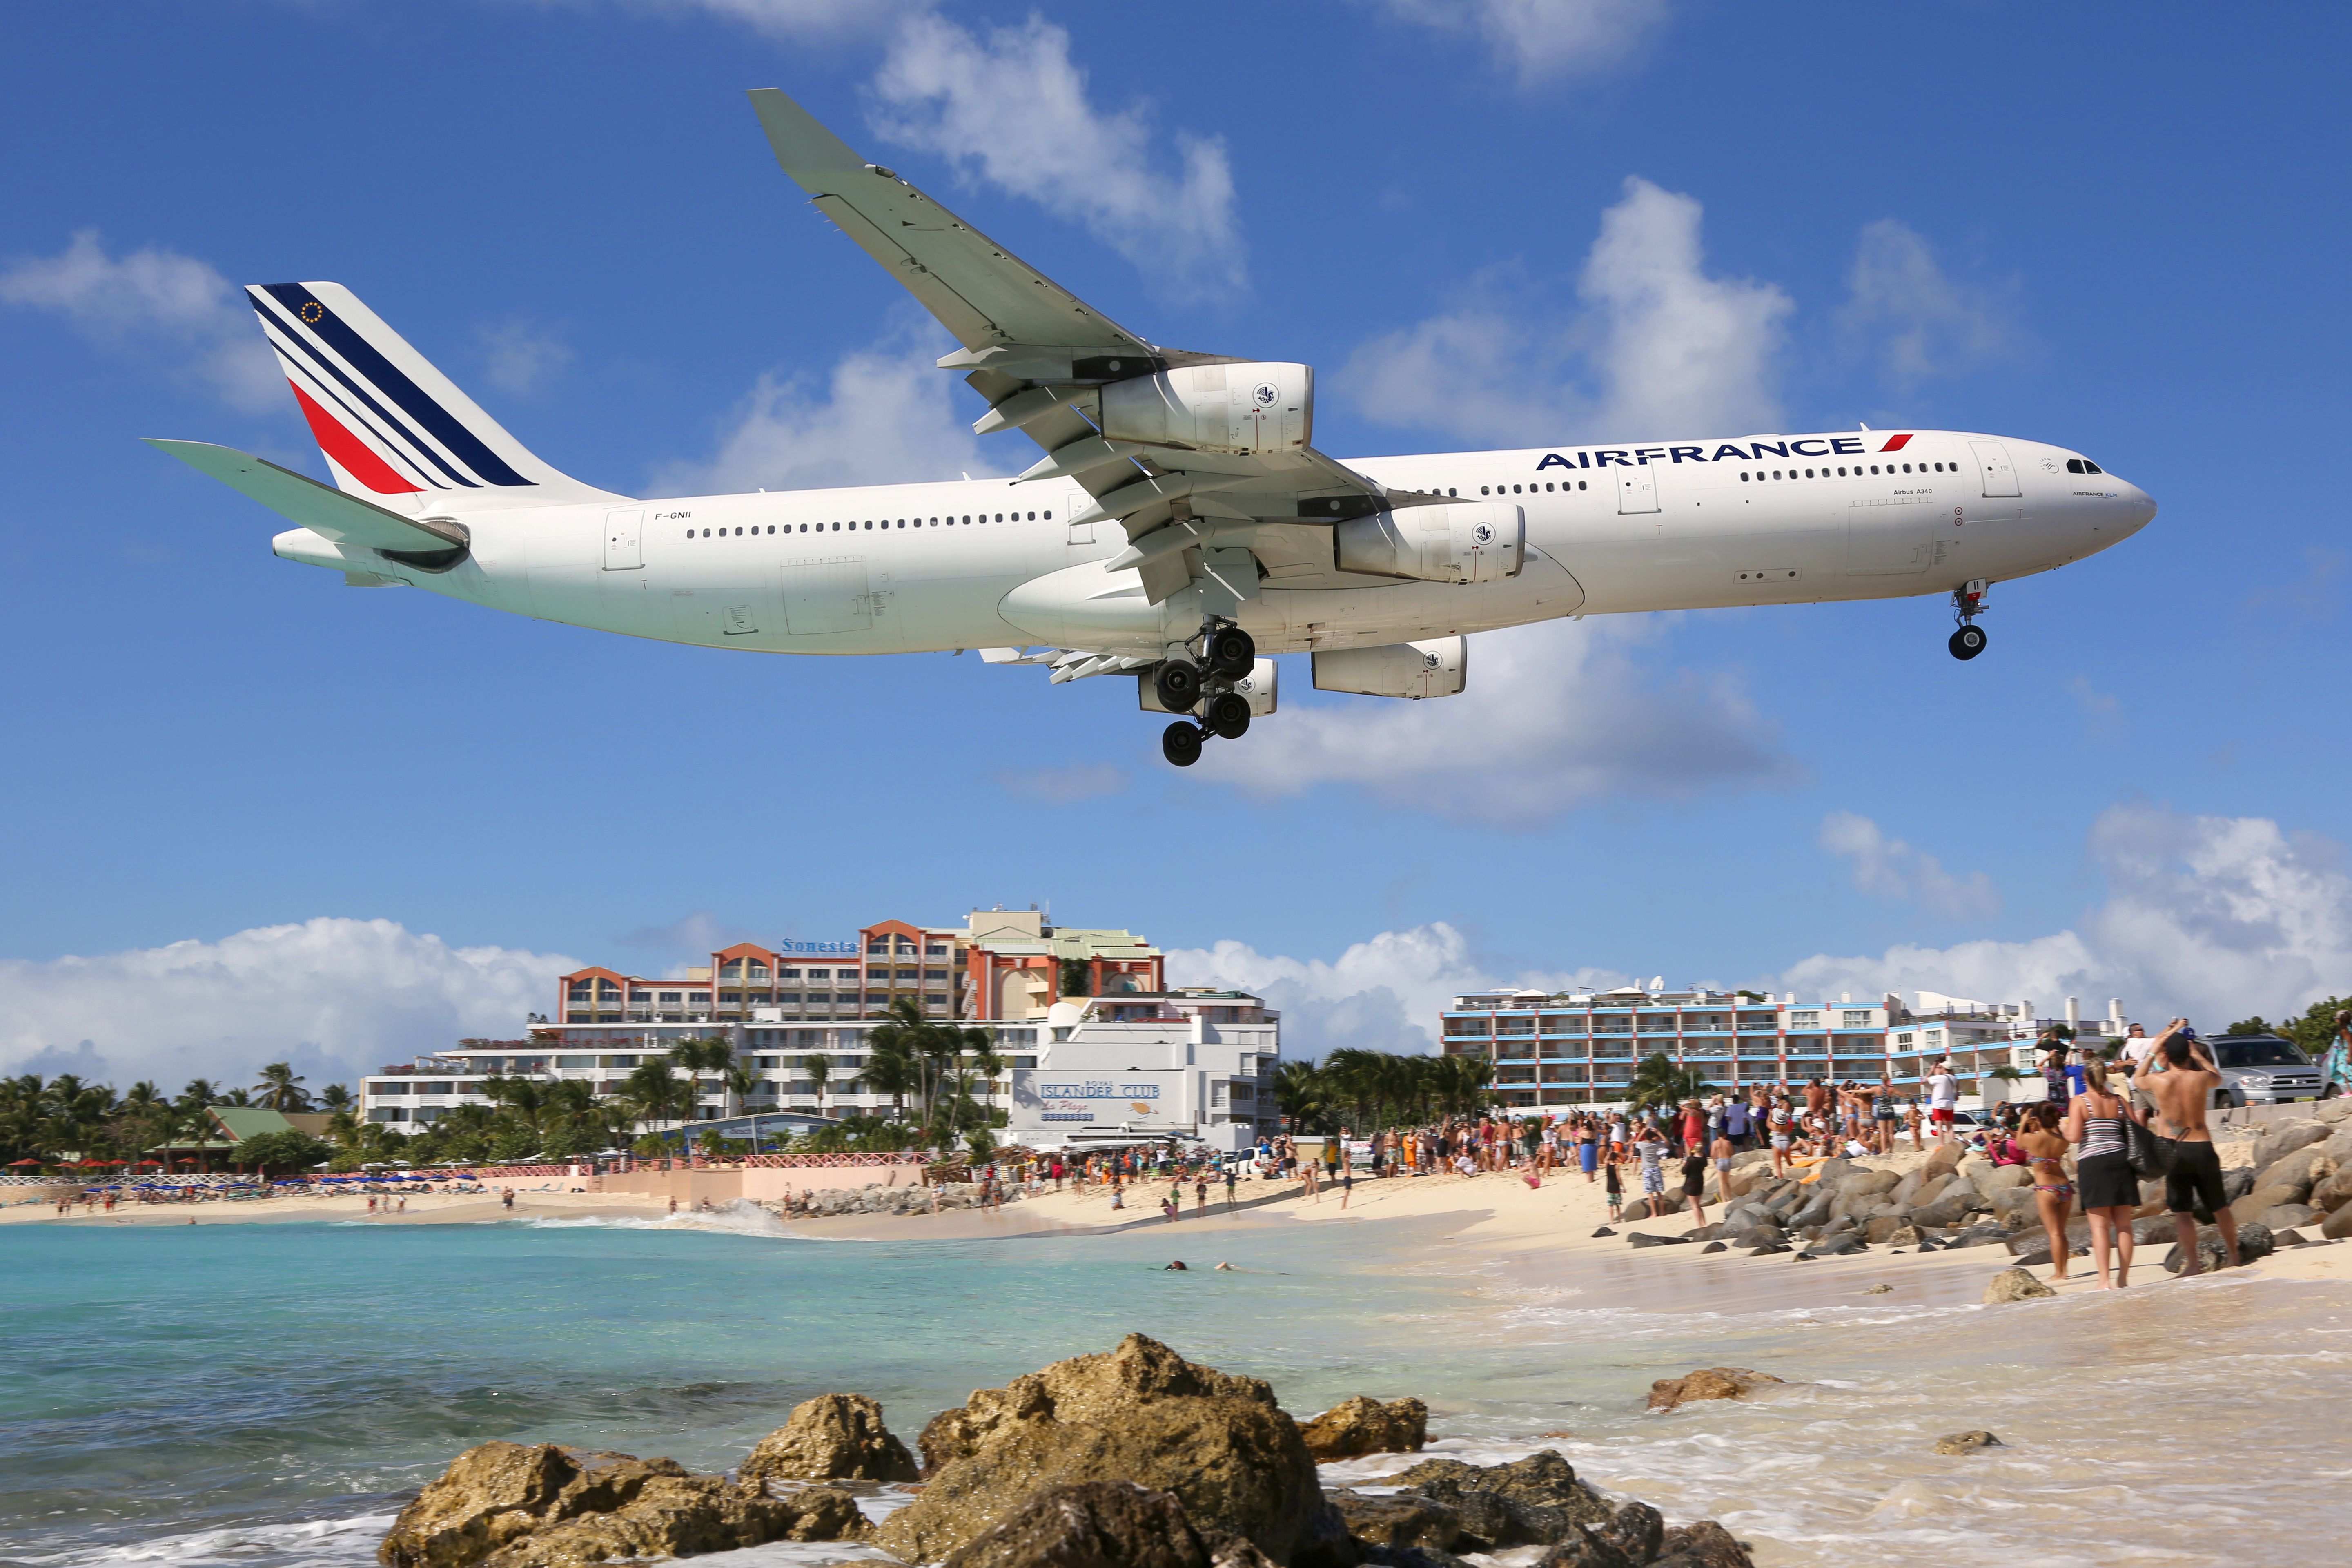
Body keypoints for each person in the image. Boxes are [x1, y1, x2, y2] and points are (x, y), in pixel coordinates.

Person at [2142, 1021, 2241, 1274]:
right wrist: (2198, 1055)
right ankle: (2233, 1256)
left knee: (2183, 1213)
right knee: (2219, 1207)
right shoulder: (2201, 1078)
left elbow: (2136, 1078)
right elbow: (2218, 1077)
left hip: (2176, 1150)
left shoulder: (2159, 1080)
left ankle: (2194, 1264)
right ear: (2188, 1054)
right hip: (2203, 1147)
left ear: (2169, 1057)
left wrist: (2153, 1050)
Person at [2065, 1060, 2140, 1289]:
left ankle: (2104, 1281)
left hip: (2094, 1164)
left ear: (2085, 1079)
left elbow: (2076, 1136)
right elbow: (2137, 1129)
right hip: (2121, 1162)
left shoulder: (2081, 1101)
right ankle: (2123, 1279)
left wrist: (2064, 1130)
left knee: (2100, 1228)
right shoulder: (2119, 1101)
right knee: (2124, 1226)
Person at [2016, 1102, 2077, 1283]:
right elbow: (2064, 1133)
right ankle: (2063, 1270)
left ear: (2038, 1118)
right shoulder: (2062, 1139)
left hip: (2046, 1189)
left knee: (2055, 1234)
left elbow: (2019, 1143)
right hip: (2065, 1187)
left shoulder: (2032, 1139)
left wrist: (2024, 1121)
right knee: (2061, 1232)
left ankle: (2060, 1273)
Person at [1927, 1061, 1959, 1142]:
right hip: (1949, 1104)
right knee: (1950, 1127)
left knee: (1939, 1127)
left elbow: (1927, 1079)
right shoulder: (1954, 1078)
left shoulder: (1940, 1078)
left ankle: (1941, 1144)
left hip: (1938, 1104)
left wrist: (1931, 1071)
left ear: (1944, 1069)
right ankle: (1952, 1143)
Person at [1680, 1141, 1709, 1226]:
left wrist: (1684, 1164)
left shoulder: (1691, 1160)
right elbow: (1706, 1165)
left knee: (1695, 1206)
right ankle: (1704, 1223)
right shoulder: (1704, 1158)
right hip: (1700, 1181)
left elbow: (1684, 1171)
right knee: (1698, 1205)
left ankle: (1700, 1225)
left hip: (1691, 1183)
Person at [1603, 1149, 1624, 1223]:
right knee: (1618, 1204)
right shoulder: (1617, 1167)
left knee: (1611, 1205)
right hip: (1616, 1187)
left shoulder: (1607, 1164)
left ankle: (1612, 1221)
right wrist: (1623, 1187)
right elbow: (1619, 1178)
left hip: (1609, 1187)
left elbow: (1605, 1160)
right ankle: (1620, 1219)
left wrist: (1609, 1153)